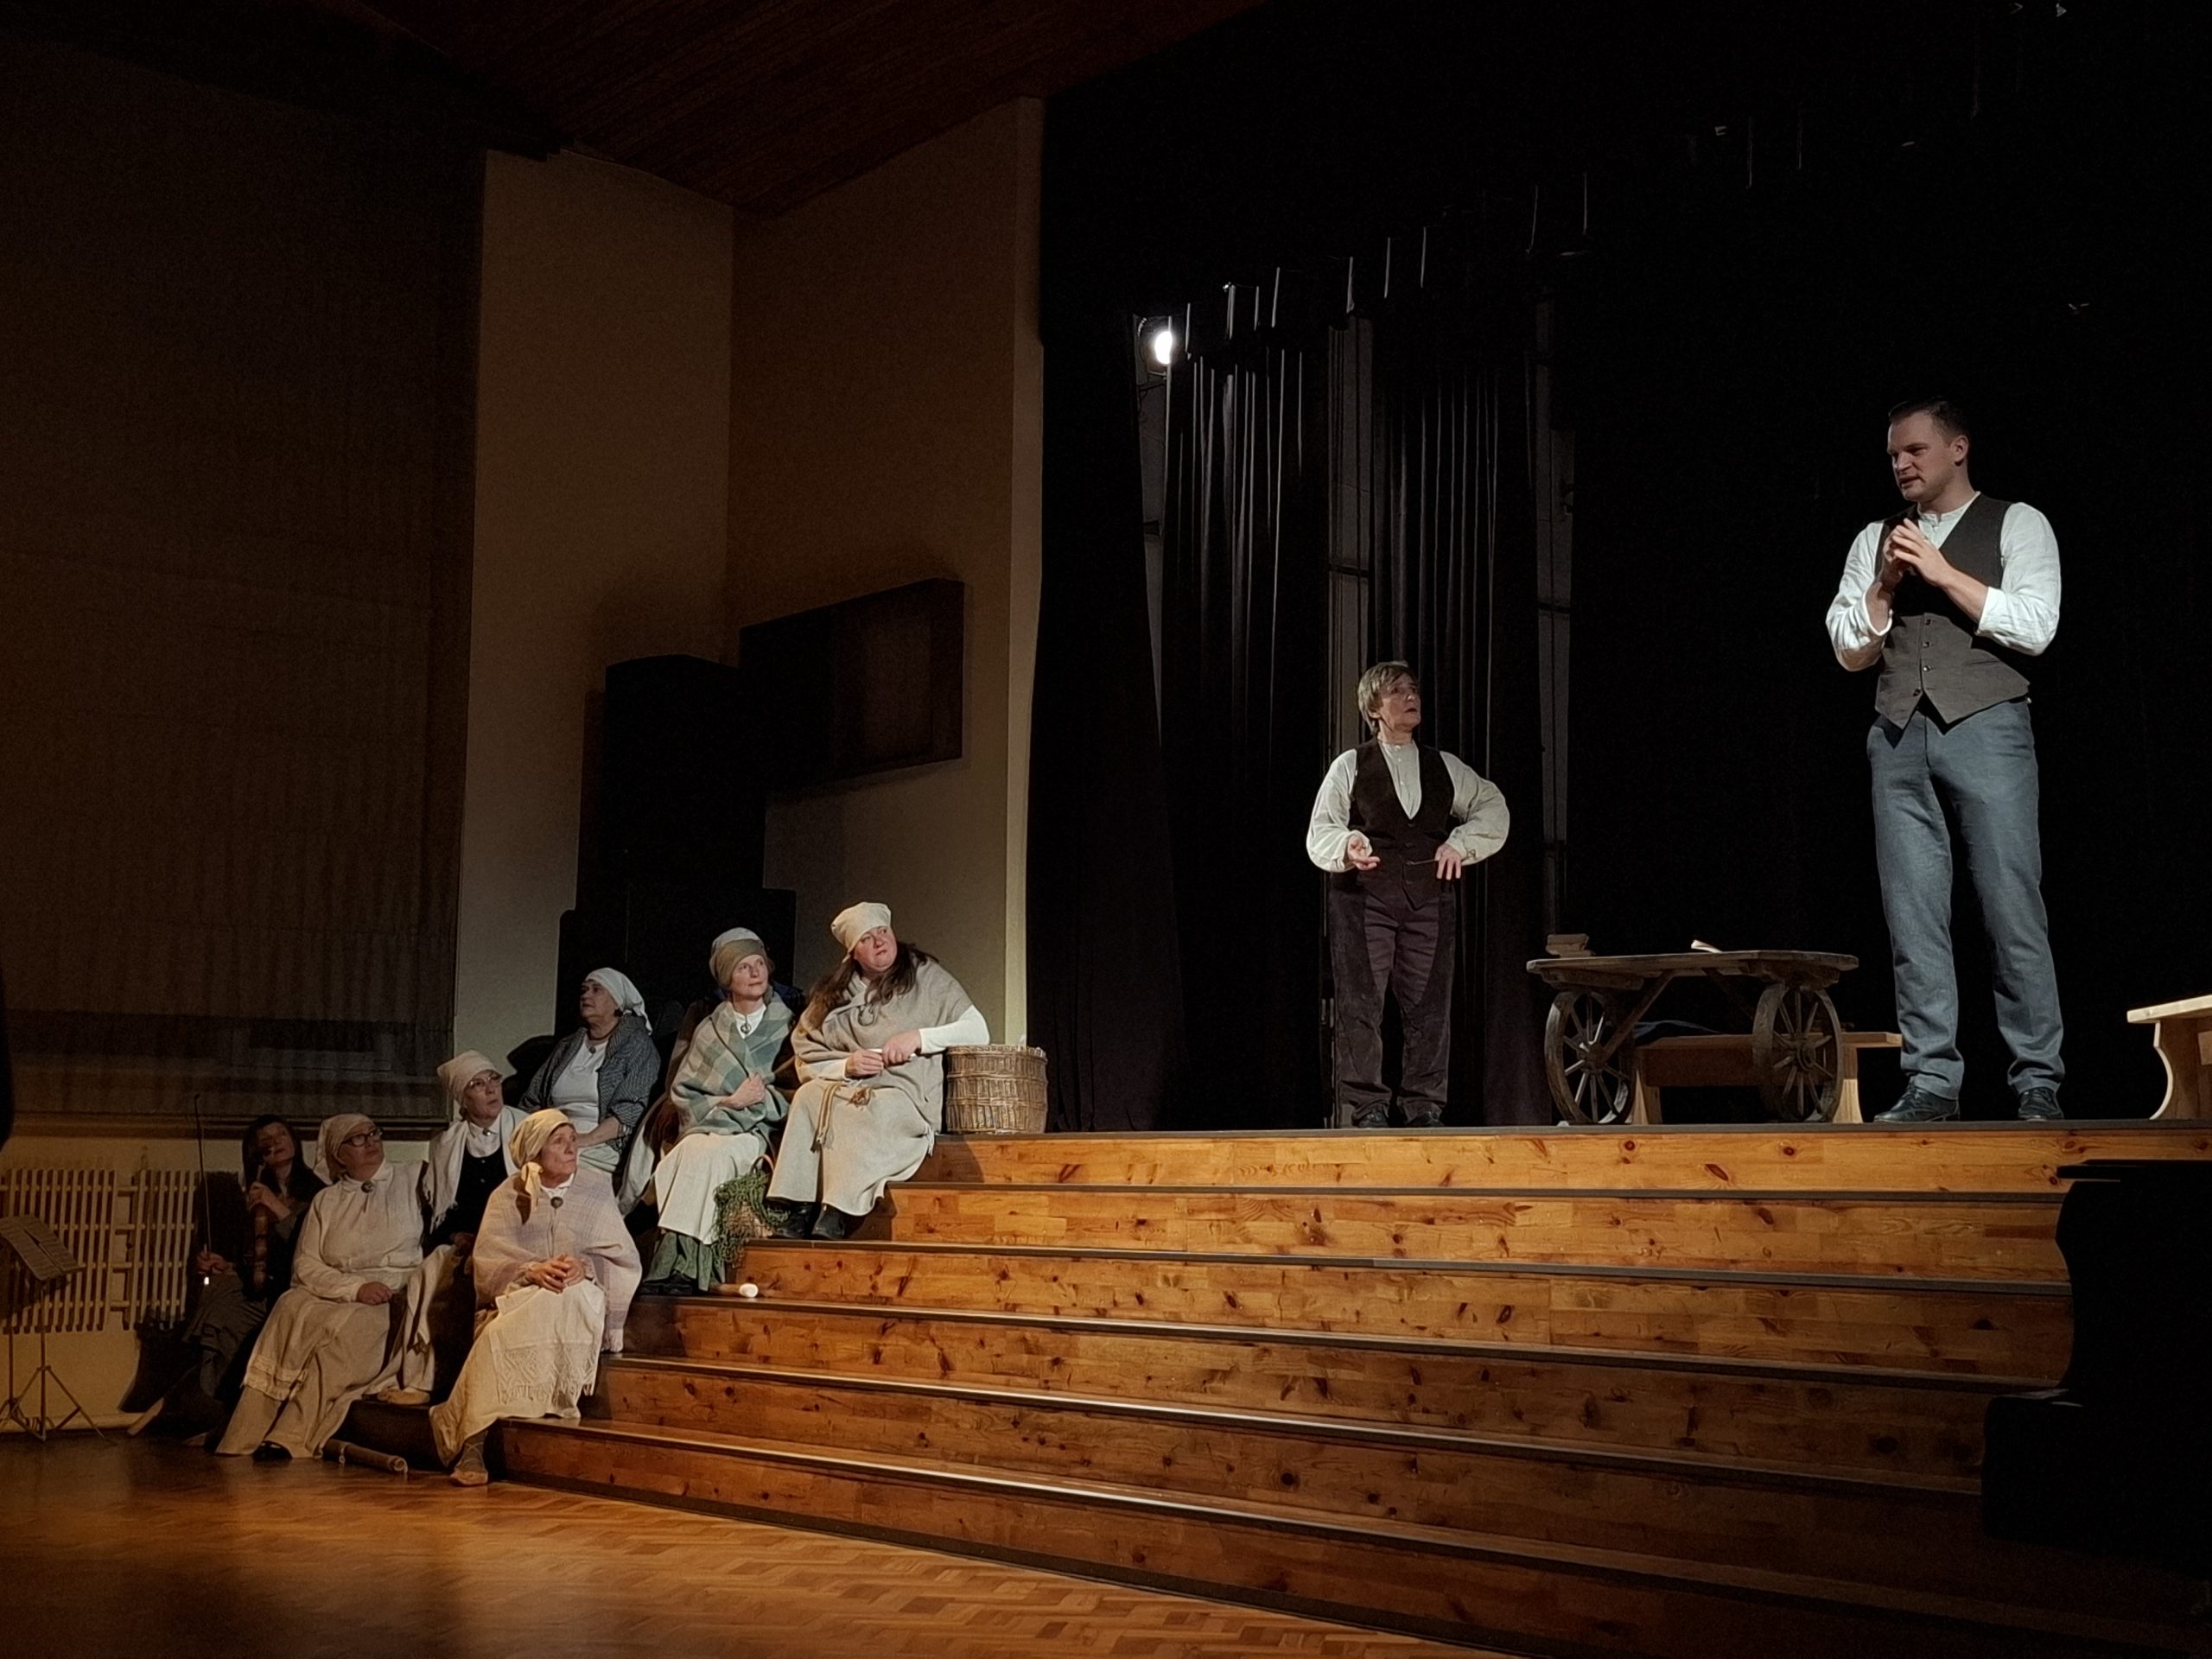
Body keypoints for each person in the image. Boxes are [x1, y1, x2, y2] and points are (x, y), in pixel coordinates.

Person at [1825, 397, 2064, 1122]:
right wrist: (1884, 586)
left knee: (2010, 907)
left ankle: (2037, 1079)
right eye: (1894, 455)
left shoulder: (2017, 522)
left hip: (1988, 726)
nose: (1901, 464)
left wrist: (1943, 572)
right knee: (1914, 917)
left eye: (1916, 450)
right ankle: (1931, 1080)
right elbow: (1847, 648)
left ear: (1958, 449)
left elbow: (2037, 626)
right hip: (1898, 736)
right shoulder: (1875, 539)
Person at [1306, 663, 1510, 1127]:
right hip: (1365, 901)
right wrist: (1348, 845)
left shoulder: (1443, 766)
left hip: (1428, 900)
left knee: (1430, 1008)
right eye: (1397, 691)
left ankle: (1424, 1107)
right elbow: (1321, 829)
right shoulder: (1351, 765)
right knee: (1361, 1006)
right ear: (1374, 708)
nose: (1410, 696)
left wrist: (1461, 844)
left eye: (1413, 689)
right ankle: (1366, 1108)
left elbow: (1492, 805)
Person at [429, 1109, 639, 1486]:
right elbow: (488, 1262)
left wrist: (585, 1266)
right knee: (497, 1334)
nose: (571, 1148)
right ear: (535, 1153)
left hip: (578, 1294)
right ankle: (473, 1441)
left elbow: (622, 1257)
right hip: (520, 1296)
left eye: (572, 1139)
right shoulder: (507, 1195)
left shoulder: (595, 1187)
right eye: (558, 1142)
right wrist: (531, 1270)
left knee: (563, 1298)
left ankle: (467, 1429)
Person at [214, 1114, 429, 1461]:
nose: (371, 1142)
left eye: (373, 1133)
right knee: (289, 1306)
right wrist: (354, 1288)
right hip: (342, 1289)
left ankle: (291, 1435)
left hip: (392, 1292)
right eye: (357, 1139)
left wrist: (370, 1291)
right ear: (338, 1155)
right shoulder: (327, 1201)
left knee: (349, 1333)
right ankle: (244, 1434)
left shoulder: (413, 1177)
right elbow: (306, 1265)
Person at [769, 903, 988, 1238]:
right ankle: (799, 1207)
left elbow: (977, 1030)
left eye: (883, 932)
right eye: (867, 938)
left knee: (870, 1109)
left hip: (905, 1095)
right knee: (809, 1097)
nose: (880, 942)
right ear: (853, 953)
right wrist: (847, 1065)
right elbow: (807, 1058)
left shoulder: (924, 977)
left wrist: (919, 1038)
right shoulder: (835, 994)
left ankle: (837, 1208)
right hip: (851, 1086)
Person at [130, 1116, 325, 1436]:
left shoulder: (318, 1193)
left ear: (293, 1140)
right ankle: (218, 1402)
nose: (275, 1141)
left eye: (281, 1134)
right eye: (266, 1139)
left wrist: (278, 1208)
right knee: (218, 1298)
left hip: (295, 1289)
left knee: (229, 1316)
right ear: (256, 1152)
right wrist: (226, 1265)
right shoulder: (255, 1194)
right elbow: (256, 1257)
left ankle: (218, 1404)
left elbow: (311, 1248)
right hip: (262, 1288)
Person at [639, 931, 796, 1291]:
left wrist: (758, 1101)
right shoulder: (709, 1030)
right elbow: (684, 1093)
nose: (755, 973)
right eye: (743, 967)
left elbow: (793, 1089)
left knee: (714, 1156)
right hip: (711, 1123)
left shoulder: (787, 1026)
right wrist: (728, 1102)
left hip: (758, 1130)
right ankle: (677, 1267)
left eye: (759, 964)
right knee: (687, 1152)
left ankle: (684, 1269)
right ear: (727, 979)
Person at [376, 1052, 526, 1406]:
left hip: (516, 1237)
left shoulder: (525, 1129)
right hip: (468, 1240)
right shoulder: (447, 1144)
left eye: (493, 1079)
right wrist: (459, 1236)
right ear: (463, 1099)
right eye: (478, 1084)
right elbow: (444, 1212)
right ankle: (424, 1380)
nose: (490, 1089)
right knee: (430, 1273)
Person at [521, 968, 659, 1179]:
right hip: (554, 1133)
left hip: (601, 1141)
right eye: (584, 990)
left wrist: (585, 1138)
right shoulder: (567, 1046)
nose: (586, 995)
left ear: (617, 1003)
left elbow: (629, 1112)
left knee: (559, 1166)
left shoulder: (637, 1046)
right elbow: (532, 1099)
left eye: (596, 990)